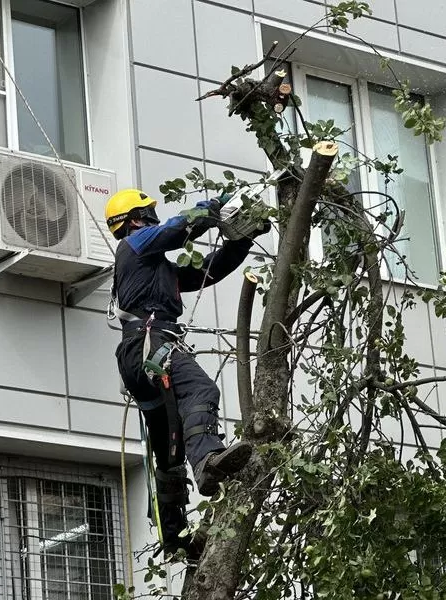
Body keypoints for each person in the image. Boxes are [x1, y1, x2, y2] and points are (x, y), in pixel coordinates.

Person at [105, 188, 269, 559]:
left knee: (169, 449)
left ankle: (176, 539)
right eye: (149, 212)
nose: (155, 218)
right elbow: (179, 229)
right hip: (151, 343)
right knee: (202, 391)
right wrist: (209, 210)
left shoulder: (154, 267)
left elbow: (208, 270)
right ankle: (208, 462)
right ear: (135, 219)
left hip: (137, 356)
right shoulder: (135, 244)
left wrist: (242, 240)